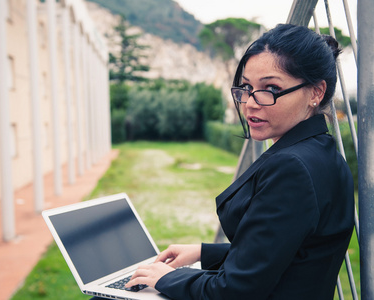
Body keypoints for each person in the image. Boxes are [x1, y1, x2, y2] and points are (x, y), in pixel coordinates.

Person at [125, 23, 355, 299]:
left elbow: (234, 291)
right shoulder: (322, 151)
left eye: (270, 88)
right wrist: (203, 252)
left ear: (316, 92)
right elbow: (291, 252)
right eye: (246, 87)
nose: (250, 103)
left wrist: (167, 279)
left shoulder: (292, 168)